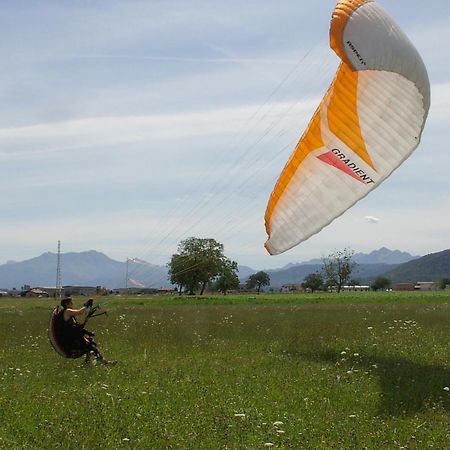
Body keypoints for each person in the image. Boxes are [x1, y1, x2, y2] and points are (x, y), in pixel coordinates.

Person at [56, 297, 114, 365]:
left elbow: (74, 327)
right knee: (89, 345)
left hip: (71, 337)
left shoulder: (67, 312)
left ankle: (88, 362)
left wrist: (87, 332)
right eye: (71, 303)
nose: (72, 304)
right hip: (69, 340)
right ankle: (103, 362)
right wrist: (86, 304)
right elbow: (80, 312)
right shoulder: (67, 311)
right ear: (66, 304)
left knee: (90, 342)